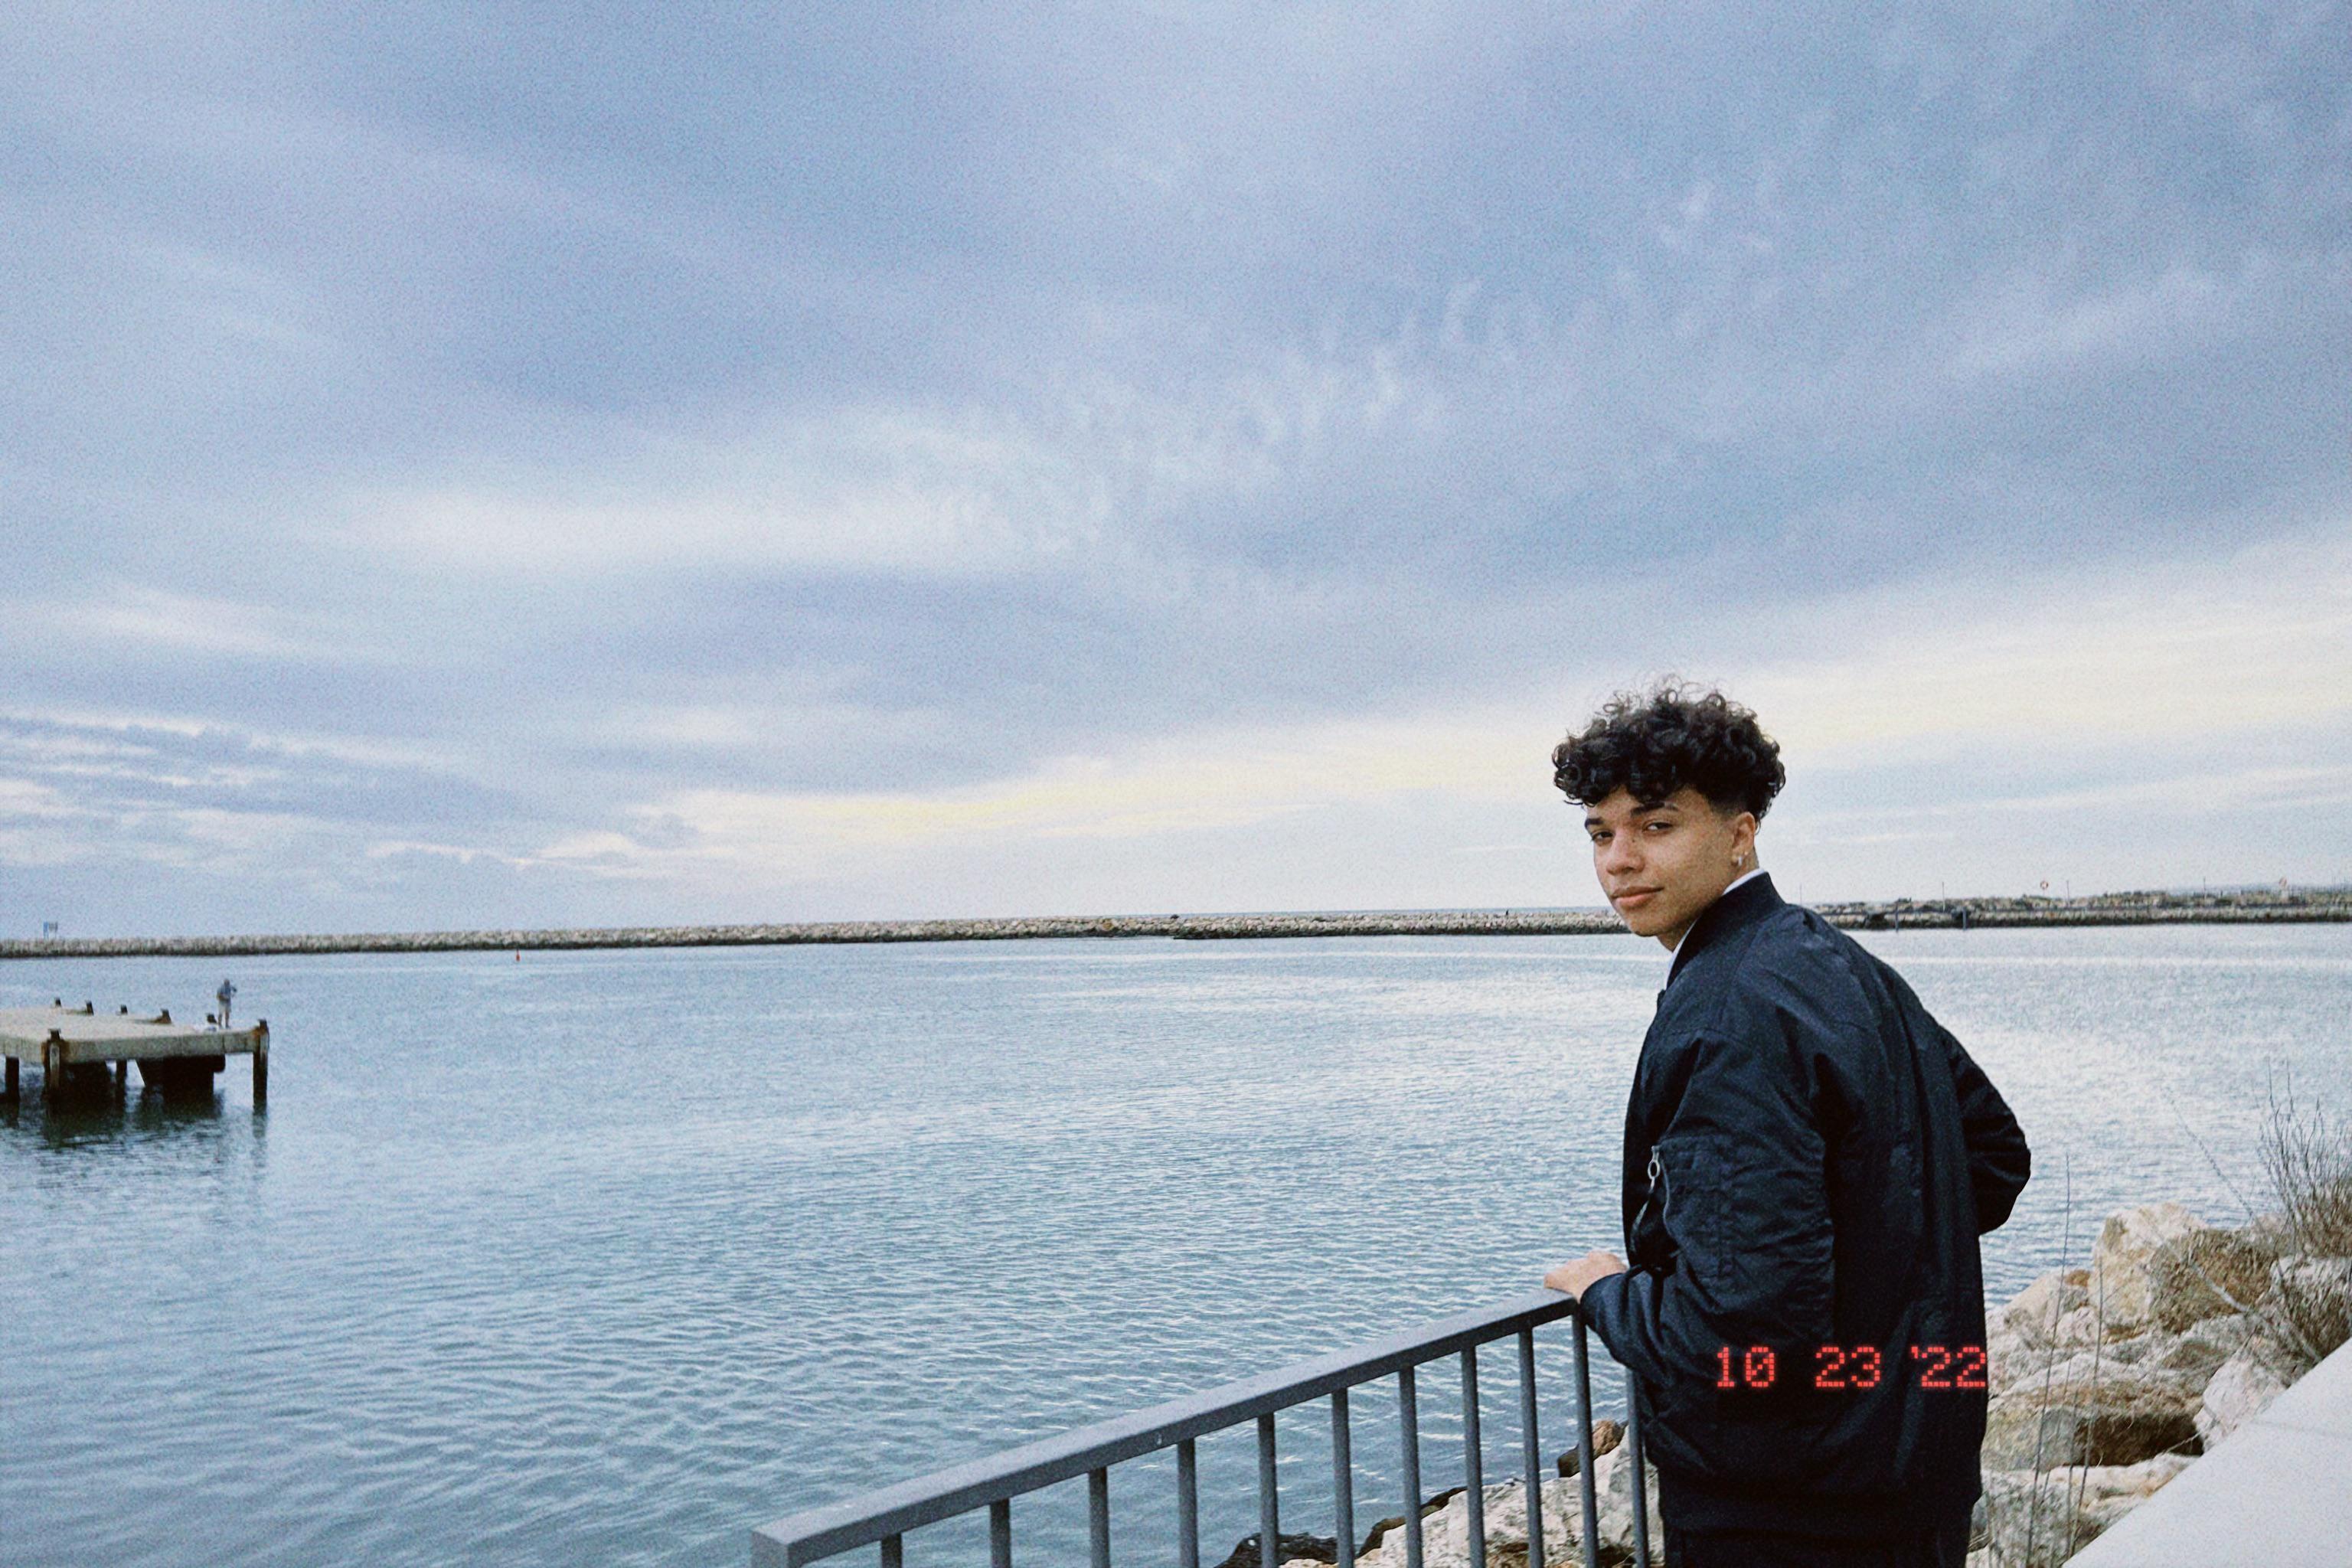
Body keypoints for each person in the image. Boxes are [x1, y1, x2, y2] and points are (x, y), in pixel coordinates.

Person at [1539, 684, 2030, 1568]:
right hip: (1915, 1465)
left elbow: (1743, 1330)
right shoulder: (1838, 962)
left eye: (1656, 825)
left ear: (1741, 832)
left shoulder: (1726, 1012)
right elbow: (1990, 1158)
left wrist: (1607, 1294)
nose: (1619, 860)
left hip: (1787, 1505)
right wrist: (1869, 1293)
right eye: (1599, 832)